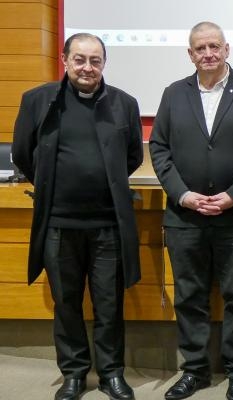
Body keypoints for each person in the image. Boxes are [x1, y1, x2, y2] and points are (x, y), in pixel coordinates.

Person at [12, 33, 142, 400]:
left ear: (104, 63)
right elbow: (23, 153)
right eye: (80, 59)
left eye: (96, 60)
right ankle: (73, 374)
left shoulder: (124, 104)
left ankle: (112, 374)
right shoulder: (38, 101)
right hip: (58, 225)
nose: (88, 67)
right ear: (65, 60)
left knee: (109, 304)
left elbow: (131, 156)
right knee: (66, 303)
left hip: (108, 226)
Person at [149, 21, 233, 400]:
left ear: (227, 49)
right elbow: (159, 149)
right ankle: (196, 370)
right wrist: (182, 194)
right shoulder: (174, 93)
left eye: (214, 46)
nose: (208, 54)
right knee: (190, 296)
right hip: (185, 216)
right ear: (190, 54)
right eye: (200, 48)